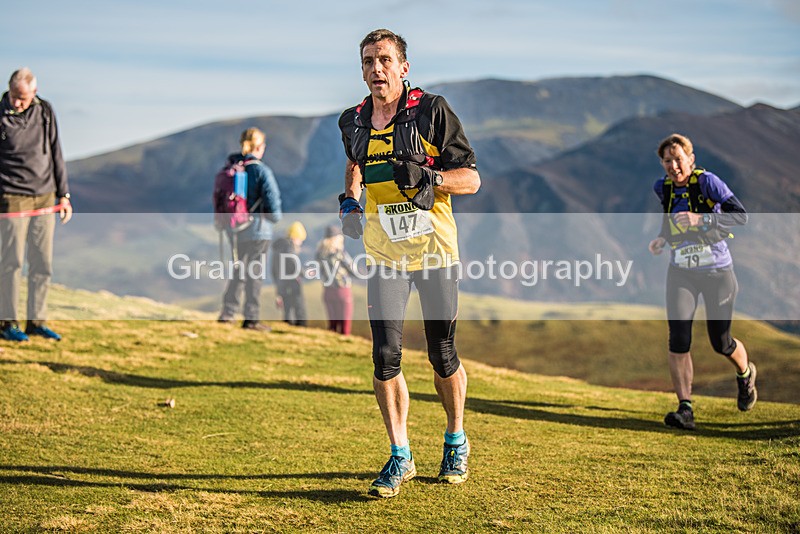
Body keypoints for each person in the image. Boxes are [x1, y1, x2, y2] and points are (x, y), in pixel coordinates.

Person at [338, 29, 480, 498]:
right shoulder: (354, 121)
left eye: (384, 60)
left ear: (403, 67)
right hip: (384, 256)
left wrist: (431, 177)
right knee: (384, 357)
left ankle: (455, 439)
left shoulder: (431, 112)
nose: (375, 69)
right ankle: (400, 455)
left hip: (435, 253)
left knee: (442, 355)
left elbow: (472, 179)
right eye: (367, 61)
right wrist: (351, 201)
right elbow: (356, 162)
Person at [648, 133, 756, 430]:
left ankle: (745, 374)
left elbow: (740, 216)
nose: (673, 166)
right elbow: (670, 220)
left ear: (690, 159)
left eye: (678, 159)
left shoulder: (708, 183)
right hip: (681, 271)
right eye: (667, 161)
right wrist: (661, 239)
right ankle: (685, 408)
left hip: (717, 272)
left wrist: (700, 220)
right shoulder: (664, 188)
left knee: (721, 342)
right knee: (678, 339)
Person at [0, 68, 73, 342]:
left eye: (25, 98)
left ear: (34, 93)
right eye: (16, 97)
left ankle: (36, 321)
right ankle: (8, 323)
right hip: (11, 197)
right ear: (8, 89)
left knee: (42, 262)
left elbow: (56, 150)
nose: (19, 103)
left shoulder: (44, 111)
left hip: (44, 195)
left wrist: (63, 194)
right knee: (12, 262)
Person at [217, 127, 282, 331]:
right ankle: (251, 318)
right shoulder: (261, 170)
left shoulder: (232, 167)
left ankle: (228, 312)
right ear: (259, 147)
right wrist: (273, 218)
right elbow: (273, 207)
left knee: (239, 269)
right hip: (257, 230)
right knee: (254, 273)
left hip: (234, 228)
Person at [315, 224, 357, 335]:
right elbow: (352, 270)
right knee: (345, 324)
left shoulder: (319, 254)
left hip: (327, 291)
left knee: (332, 324)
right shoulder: (340, 254)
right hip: (342, 290)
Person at [270, 221, 307, 326]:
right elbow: (292, 263)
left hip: (282, 285)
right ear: (296, 237)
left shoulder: (277, 248)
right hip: (293, 284)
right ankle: (301, 331)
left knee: (287, 311)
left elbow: (274, 271)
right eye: (300, 240)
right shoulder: (289, 247)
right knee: (299, 311)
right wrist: (303, 273)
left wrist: (278, 290)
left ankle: (287, 330)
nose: (301, 243)